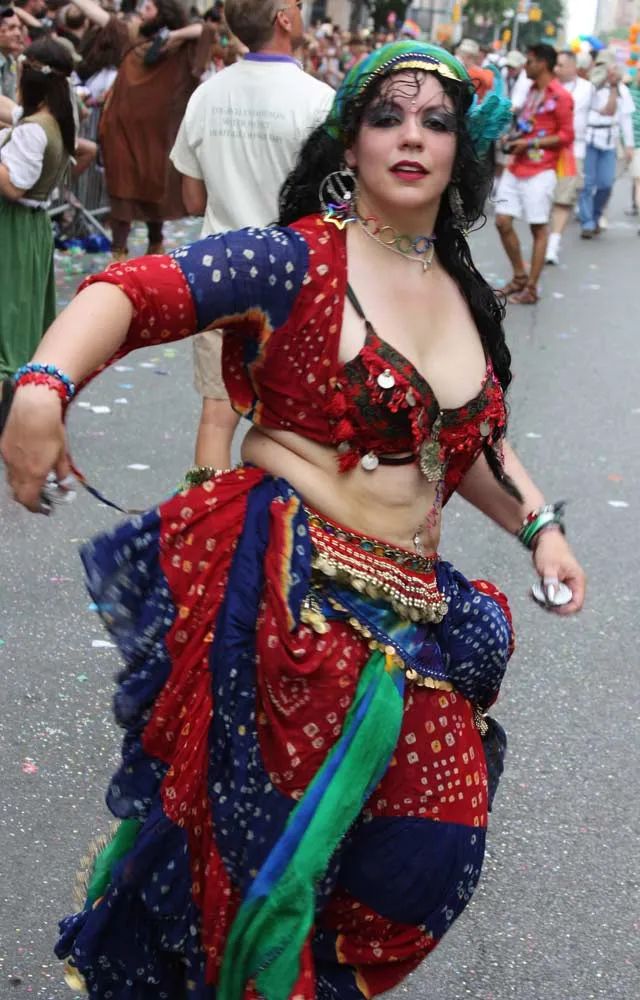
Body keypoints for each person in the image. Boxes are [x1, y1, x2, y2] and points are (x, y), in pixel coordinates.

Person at [0, 41, 586, 1000]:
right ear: (349, 144)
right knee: (258, 880)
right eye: (387, 117)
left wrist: (539, 526)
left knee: (427, 852)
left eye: (435, 121)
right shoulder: (297, 260)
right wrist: (41, 388)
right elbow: (132, 292)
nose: (411, 137)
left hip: (415, 618)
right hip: (290, 615)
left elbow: (464, 442)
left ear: (461, 151)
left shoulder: (458, 287)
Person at [170, 0, 334, 472]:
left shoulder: (206, 95)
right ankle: (279, 516)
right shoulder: (319, 101)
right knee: (292, 425)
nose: (302, 12)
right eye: (298, 5)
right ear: (283, 17)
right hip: (292, 276)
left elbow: (192, 200)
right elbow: (334, 202)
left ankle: (209, 513)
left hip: (218, 270)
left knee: (216, 417)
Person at [68, 0, 218, 258]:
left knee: (153, 189)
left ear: (163, 14)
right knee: (121, 190)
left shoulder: (181, 46)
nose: (142, 10)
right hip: (121, 132)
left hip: (158, 137)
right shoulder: (132, 36)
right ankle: (119, 252)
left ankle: (155, 245)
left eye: (149, 7)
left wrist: (173, 35)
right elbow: (99, 15)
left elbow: (206, 30)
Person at [0, 37, 75, 381]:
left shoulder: (34, 130)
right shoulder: (54, 116)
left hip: (13, 226)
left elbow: (13, 186)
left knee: (8, 316)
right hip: (30, 226)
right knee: (19, 310)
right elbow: (8, 109)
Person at [494, 43, 574, 305]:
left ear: (542, 63)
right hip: (516, 165)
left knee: (538, 227)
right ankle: (519, 276)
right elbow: (526, 125)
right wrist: (512, 137)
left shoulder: (561, 96)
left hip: (541, 170)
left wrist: (530, 144)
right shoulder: (530, 91)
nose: (525, 66)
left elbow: (566, 135)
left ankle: (531, 288)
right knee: (502, 221)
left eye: (529, 61)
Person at [545, 49, 594, 265]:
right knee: (544, 198)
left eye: (561, 65)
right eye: (555, 65)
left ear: (574, 66)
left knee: (563, 200)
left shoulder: (588, 89)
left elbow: (601, 111)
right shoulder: (545, 86)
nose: (556, 69)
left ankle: (553, 245)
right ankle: (542, 239)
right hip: (545, 149)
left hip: (572, 152)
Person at [578, 56, 634, 239]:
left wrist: (629, 144)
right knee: (586, 184)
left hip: (609, 140)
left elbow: (625, 118)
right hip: (589, 139)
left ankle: (595, 215)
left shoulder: (622, 90)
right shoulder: (588, 88)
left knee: (606, 184)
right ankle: (587, 222)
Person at [456, 37, 494, 102]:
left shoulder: (470, 73)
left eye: (461, 54)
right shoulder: (486, 73)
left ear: (468, 56)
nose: (459, 56)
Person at [0, 6, 21, 101]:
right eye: (11, 28)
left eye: (19, 28)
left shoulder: (10, 61)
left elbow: (11, 100)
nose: (18, 33)